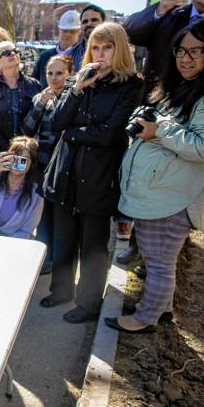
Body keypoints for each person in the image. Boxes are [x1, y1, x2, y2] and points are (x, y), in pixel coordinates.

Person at [107, 16, 204, 333]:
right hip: (162, 191)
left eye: (195, 51)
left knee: (159, 262)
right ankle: (159, 307)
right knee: (157, 258)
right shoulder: (189, 88)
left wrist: (158, 130)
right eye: (180, 51)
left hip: (175, 196)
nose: (185, 58)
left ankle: (144, 319)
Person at [41, 22, 144, 324]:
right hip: (66, 173)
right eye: (95, 47)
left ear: (119, 49)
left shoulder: (131, 84)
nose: (100, 54)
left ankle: (88, 304)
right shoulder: (80, 79)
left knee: (93, 245)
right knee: (64, 239)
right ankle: (61, 291)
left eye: (107, 47)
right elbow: (57, 121)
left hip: (99, 176)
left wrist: (73, 134)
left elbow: (110, 133)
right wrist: (76, 90)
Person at [22, 54, 74, 274]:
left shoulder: (74, 98)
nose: (54, 78)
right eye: (50, 73)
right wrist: (40, 105)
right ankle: (43, 259)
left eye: (60, 73)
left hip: (64, 167)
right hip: (41, 166)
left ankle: (59, 262)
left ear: (70, 74)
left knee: (59, 217)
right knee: (41, 215)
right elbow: (26, 129)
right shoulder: (40, 98)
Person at [0, 40, 42, 157]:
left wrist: (25, 150)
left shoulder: (34, 85)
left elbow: (40, 121)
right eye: (7, 53)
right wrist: (9, 151)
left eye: (15, 51)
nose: (13, 54)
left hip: (29, 154)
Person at [32, 10, 80, 88]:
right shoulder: (45, 56)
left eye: (72, 32)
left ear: (79, 32)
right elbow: (34, 83)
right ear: (59, 31)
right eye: (65, 31)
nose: (68, 34)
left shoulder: (81, 56)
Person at [67, 4, 106, 71]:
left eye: (94, 20)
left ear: (104, 23)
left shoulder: (117, 49)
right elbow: (66, 80)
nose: (89, 24)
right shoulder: (71, 55)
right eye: (85, 21)